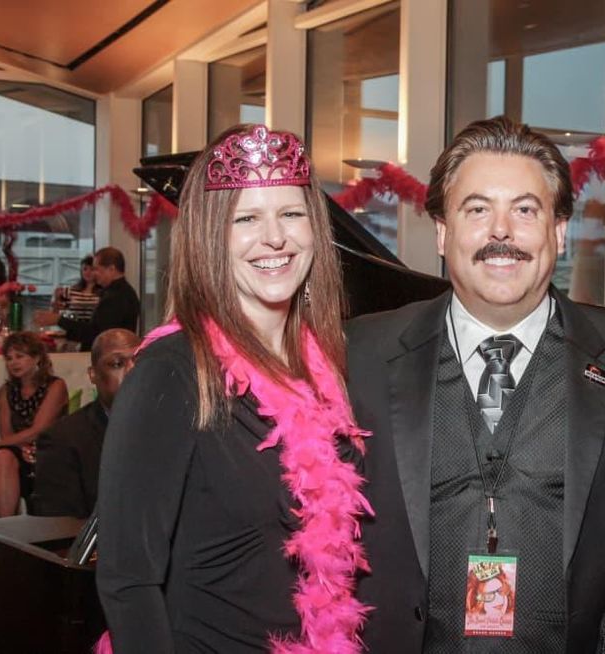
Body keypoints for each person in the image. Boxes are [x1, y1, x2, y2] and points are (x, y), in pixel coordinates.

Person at [346, 116, 605, 653]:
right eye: (477, 209)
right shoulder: (358, 355)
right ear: (443, 231)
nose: (502, 232)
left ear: (558, 231)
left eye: (525, 210)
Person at [95, 124, 370, 653]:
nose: (275, 238)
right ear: (210, 237)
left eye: (291, 214)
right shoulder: (172, 372)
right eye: (247, 218)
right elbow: (128, 581)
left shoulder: (325, 369)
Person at [30, 328, 140, 518]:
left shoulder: (178, 428)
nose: (132, 371)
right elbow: (58, 525)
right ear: (93, 375)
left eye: (139, 362)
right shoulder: (63, 438)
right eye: (117, 364)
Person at [0, 332, 69, 516]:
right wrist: (20, 448)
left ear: (37, 358)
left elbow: (39, 430)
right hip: (18, 452)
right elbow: (7, 436)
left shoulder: (56, 386)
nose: (13, 363)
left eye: (20, 356)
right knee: (3, 457)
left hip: (50, 449)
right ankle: (5, 532)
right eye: (9, 358)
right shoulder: (6, 391)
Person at [34, 247, 140, 351]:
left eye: (97, 269)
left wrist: (59, 320)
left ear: (111, 269)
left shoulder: (116, 296)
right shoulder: (119, 292)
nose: (94, 273)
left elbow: (96, 334)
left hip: (109, 356)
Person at [53, 254, 103, 323]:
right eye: (85, 269)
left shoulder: (103, 292)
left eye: (91, 269)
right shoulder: (70, 291)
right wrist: (57, 299)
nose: (88, 272)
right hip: (74, 328)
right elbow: (57, 312)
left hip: (95, 330)